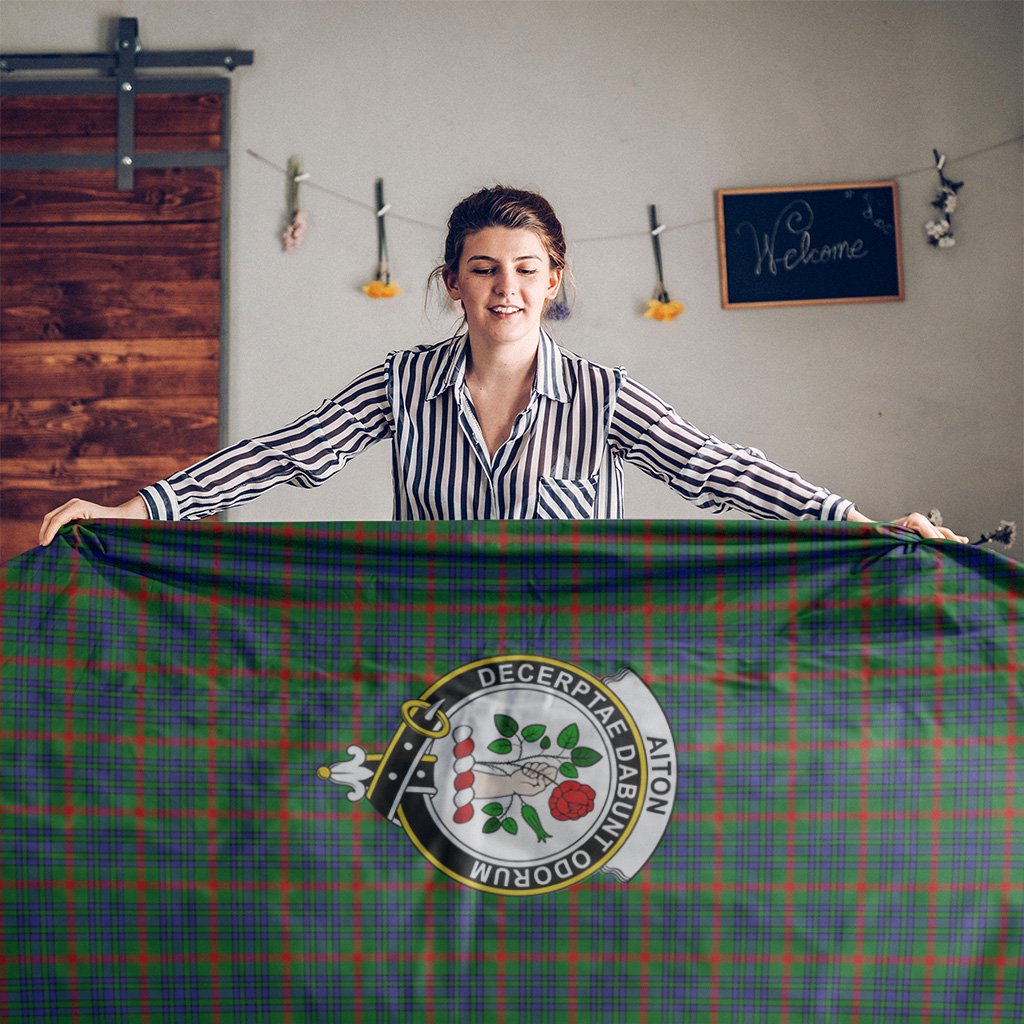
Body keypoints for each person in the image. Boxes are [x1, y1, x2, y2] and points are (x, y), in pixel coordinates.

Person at [38, 186, 967, 545]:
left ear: (555, 281)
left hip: (579, 666)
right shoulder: (401, 383)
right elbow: (284, 455)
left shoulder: (604, 397)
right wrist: (136, 510)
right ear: (453, 283)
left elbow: (718, 467)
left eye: (527, 271)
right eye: (484, 269)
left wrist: (859, 524)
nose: (506, 289)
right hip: (434, 661)